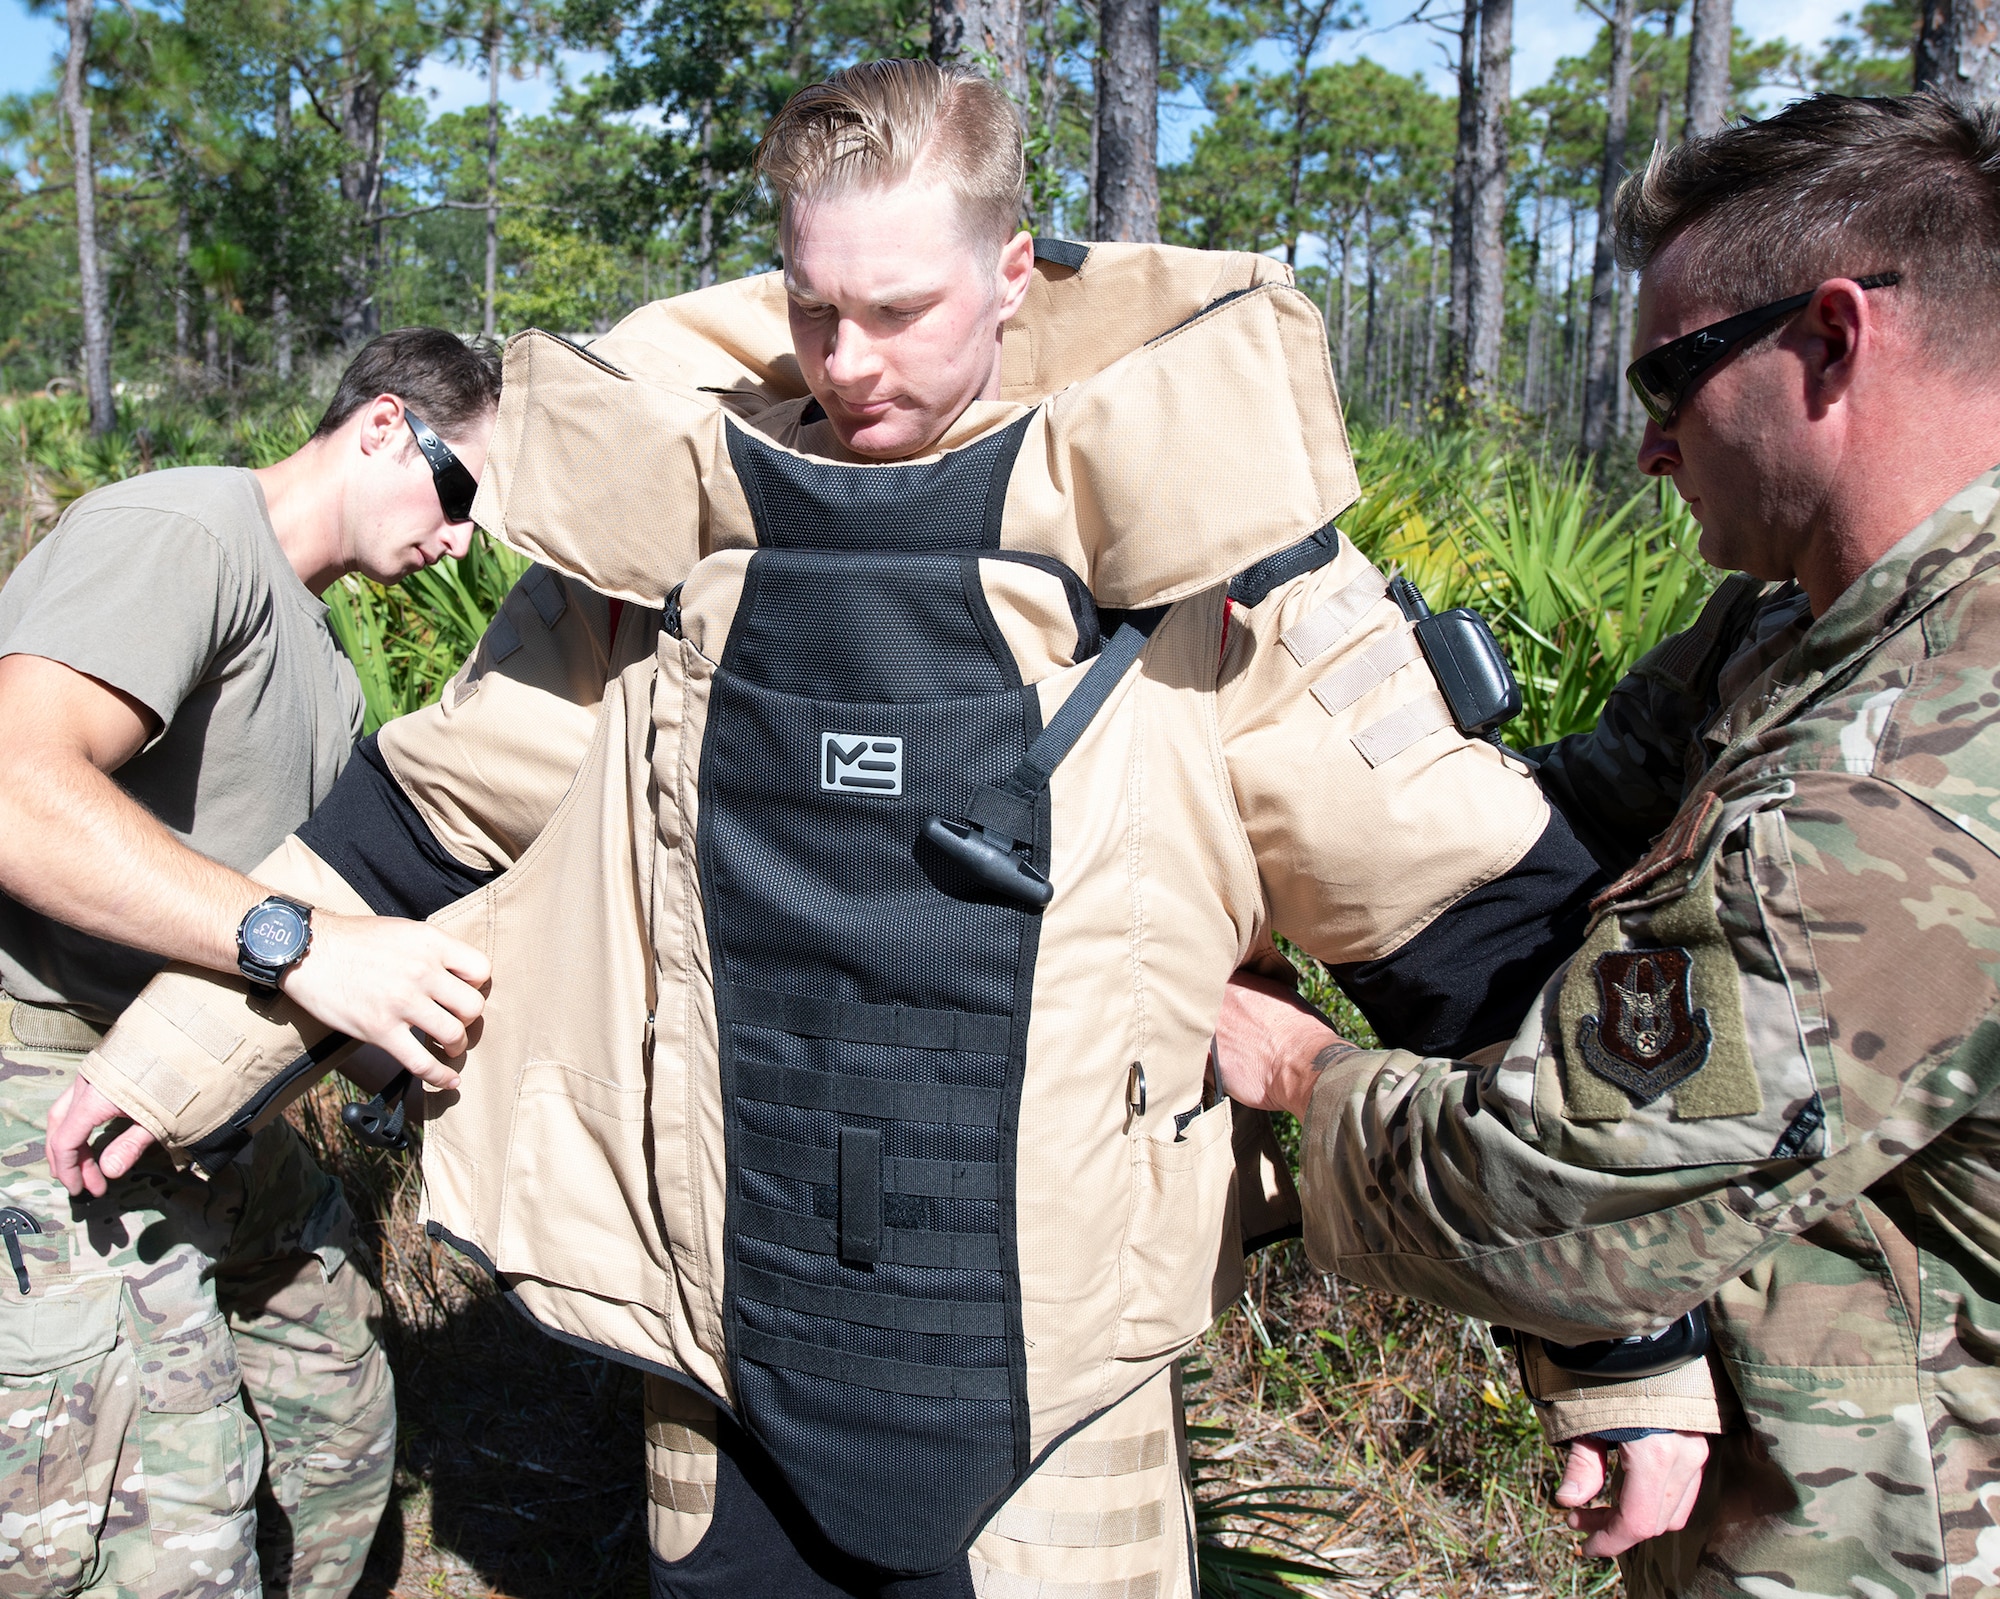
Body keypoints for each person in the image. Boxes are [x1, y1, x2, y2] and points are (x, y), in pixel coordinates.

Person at [52, 62, 1673, 1596]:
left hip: (1058, 1391)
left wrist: (1621, 1345)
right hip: (724, 1341)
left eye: (901, 310)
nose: (853, 361)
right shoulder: (660, 548)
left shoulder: (1210, 558)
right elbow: (417, 818)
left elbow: (1471, 931)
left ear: (1014, 271)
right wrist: (170, 1058)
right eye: (815, 309)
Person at [1215, 91, 2000, 1596]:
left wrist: (1290, 1066)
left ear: (1833, 340)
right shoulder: (1792, 634)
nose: (1646, 446)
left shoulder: (1907, 779)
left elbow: (1549, 1202)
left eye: (1671, 378)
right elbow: (1547, 847)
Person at [0, 327, 499, 1599]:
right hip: (46, 1088)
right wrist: (300, 947)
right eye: (462, 491)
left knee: (338, 1442)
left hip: (215, 1117)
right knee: (158, 1542)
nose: (463, 538)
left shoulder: (326, 663)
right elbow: (13, 787)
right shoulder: (186, 535)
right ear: (383, 424)